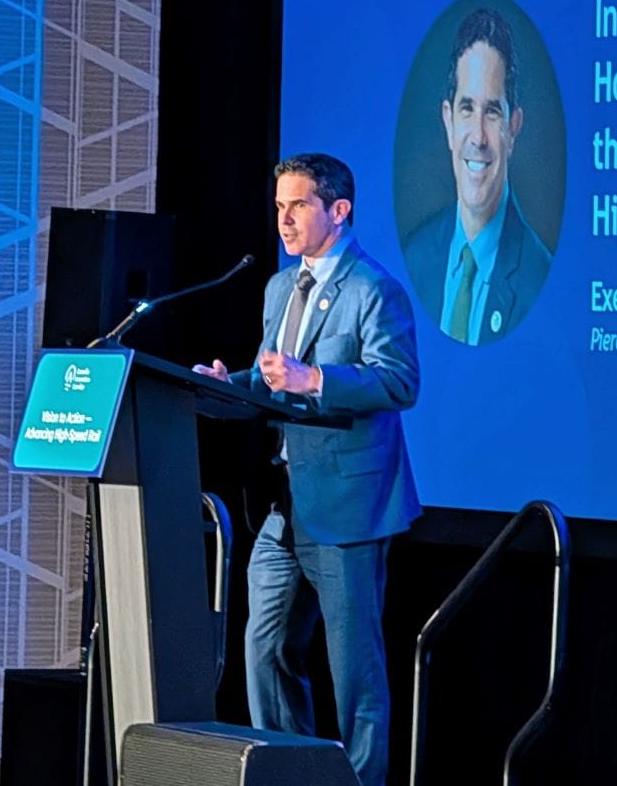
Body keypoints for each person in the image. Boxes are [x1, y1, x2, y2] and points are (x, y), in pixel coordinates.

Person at [196, 152, 420, 786]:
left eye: (297, 206)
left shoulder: (375, 290)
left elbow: (399, 382)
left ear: (338, 210)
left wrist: (316, 378)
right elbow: (273, 380)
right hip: (282, 502)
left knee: (355, 674)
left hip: (348, 504)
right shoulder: (278, 286)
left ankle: (361, 781)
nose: (283, 220)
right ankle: (296, 774)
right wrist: (225, 385)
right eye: (278, 207)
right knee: (264, 648)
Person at [404, 6, 552, 344]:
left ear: (513, 129)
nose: (479, 137)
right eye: (467, 109)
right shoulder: (416, 255)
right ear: (448, 122)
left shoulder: (537, 277)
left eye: (493, 112)